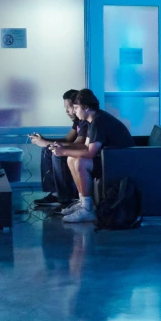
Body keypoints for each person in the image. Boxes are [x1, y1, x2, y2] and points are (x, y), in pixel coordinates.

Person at [50, 89, 133, 224]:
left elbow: (90, 153)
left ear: (86, 108)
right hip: (110, 158)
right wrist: (64, 148)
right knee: (72, 159)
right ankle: (83, 202)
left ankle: (87, 210)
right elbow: (86, 146)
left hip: (119, 162)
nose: (74, 111)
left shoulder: (99, 122)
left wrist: (64, 151)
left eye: (76, 108)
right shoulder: (93, 119)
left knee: (81, 163)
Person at [29, 89, 85, 208]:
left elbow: (79, 144)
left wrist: (46, 142)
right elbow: (68, 140)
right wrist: (44, 141)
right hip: (79, 150)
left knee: (56, 154)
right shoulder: (77, 122)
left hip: (86, 153)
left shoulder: (85, 121)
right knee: (47, 150)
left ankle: (66, 199)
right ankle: (55, 193)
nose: (67, 111)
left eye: (69, 107)